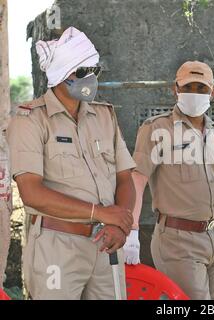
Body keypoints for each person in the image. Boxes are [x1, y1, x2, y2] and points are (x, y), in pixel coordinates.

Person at [6, 27, 136, 300]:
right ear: (62, 75)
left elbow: (125, 177)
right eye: (83, 71)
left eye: (94, 70)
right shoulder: (30, 120)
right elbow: (31, 192)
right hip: (57, 248)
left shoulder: (104, 116)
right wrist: (100, 213)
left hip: (106, 244)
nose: (91, 78)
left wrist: (119, 223)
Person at [129, 61, 214, 299]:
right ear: (175, 89)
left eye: (201, 88)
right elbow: (137, 179)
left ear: (212, 92)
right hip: (179, 241)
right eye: (188, 87)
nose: (194, 94)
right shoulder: (157, 129)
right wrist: (132, 231)